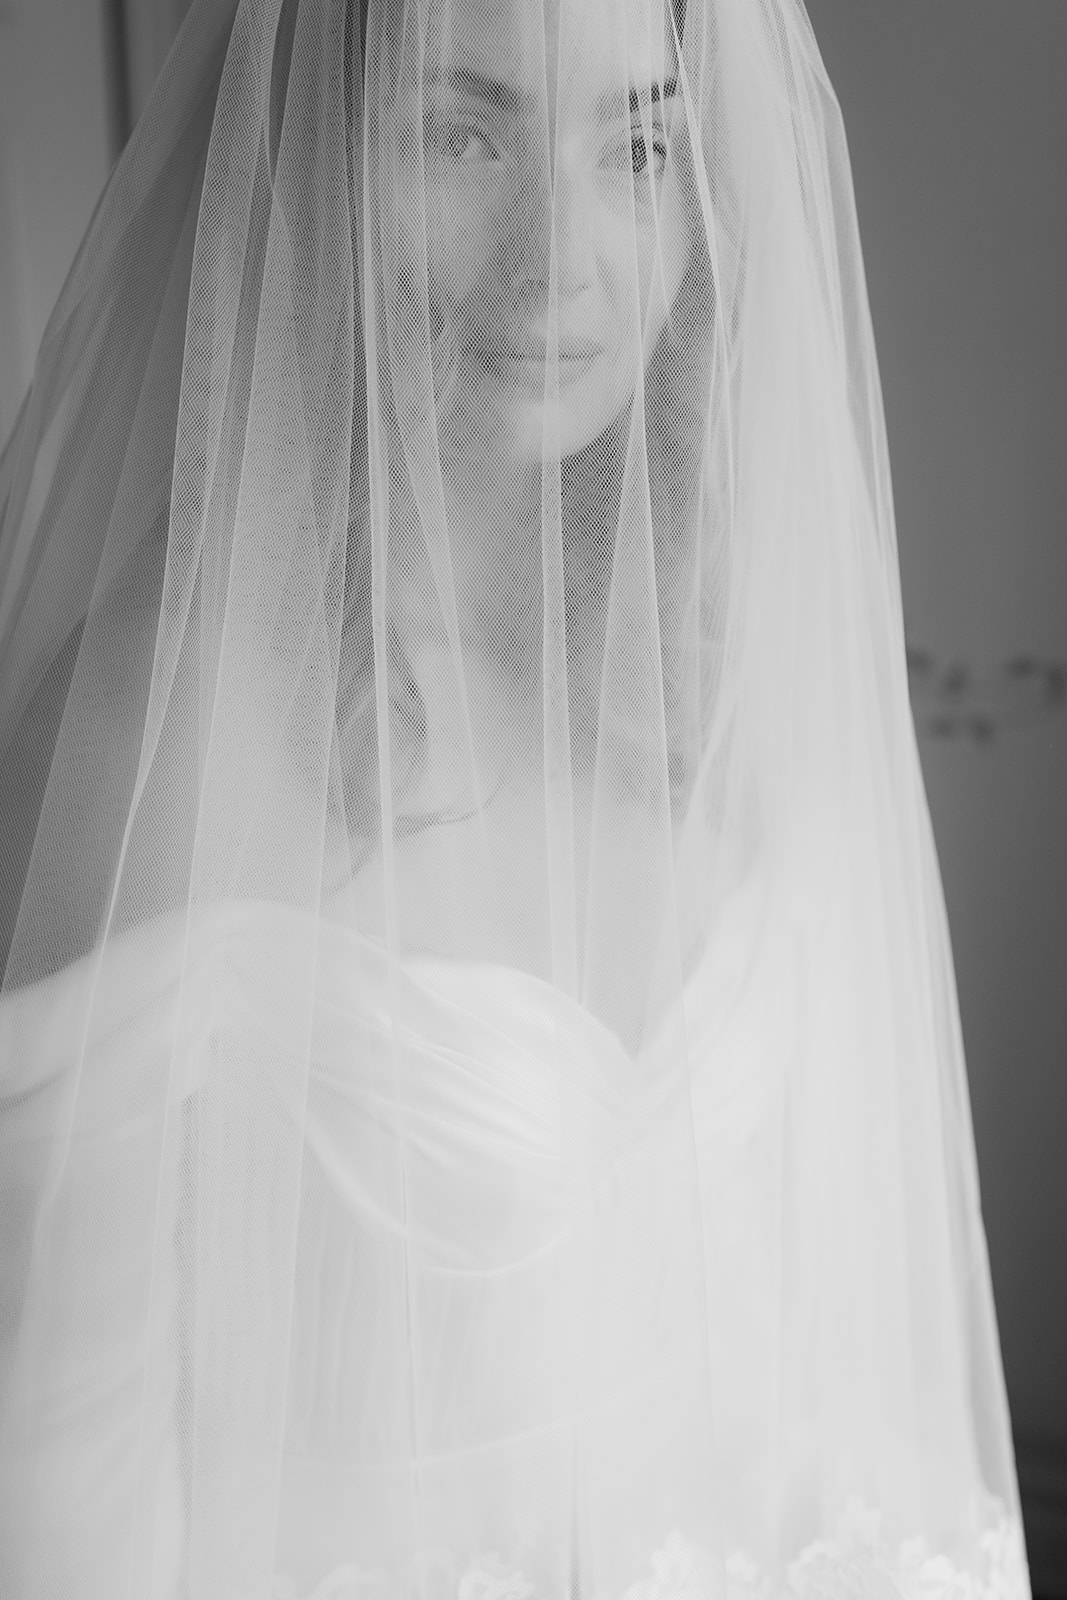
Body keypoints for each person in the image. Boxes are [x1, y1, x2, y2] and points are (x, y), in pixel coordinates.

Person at [0, 0, 1032, 1594]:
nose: (565, 254)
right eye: (462, 134)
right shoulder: (172, 724)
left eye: (635, 146)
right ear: (306, 170)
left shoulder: (714, 666)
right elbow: (57, 1486)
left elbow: (814, 1358)